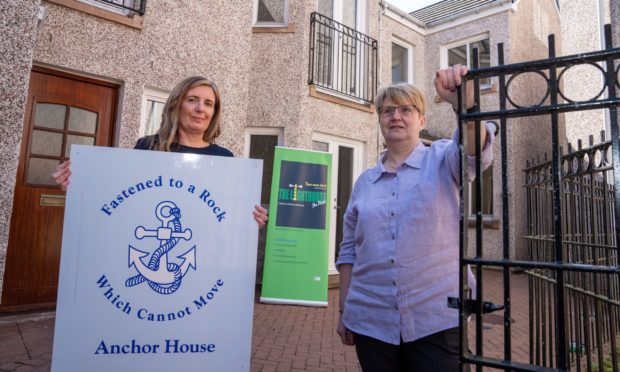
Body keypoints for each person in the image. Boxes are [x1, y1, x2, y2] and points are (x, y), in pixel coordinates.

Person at [335, 65, 494, 371]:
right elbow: (349, 251)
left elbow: (475, 154)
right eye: (388, 110)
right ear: (380, 119)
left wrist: (466, 108)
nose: (396, 116)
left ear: (422, 120)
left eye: (406, 109)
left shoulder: (444, 159)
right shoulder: (364, 183)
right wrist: (344, 310)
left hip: (434, 319)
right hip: (371, 321)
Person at [52, 76, 268, 227]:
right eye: (192, 100)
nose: (201, 109)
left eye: (208, 103)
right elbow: (121, 198)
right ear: (176, 104)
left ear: (214, 112)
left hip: (206, 258)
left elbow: (228, 213)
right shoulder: (147, 148)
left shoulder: (225, 159)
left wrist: (252, 220)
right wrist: (78, 183)